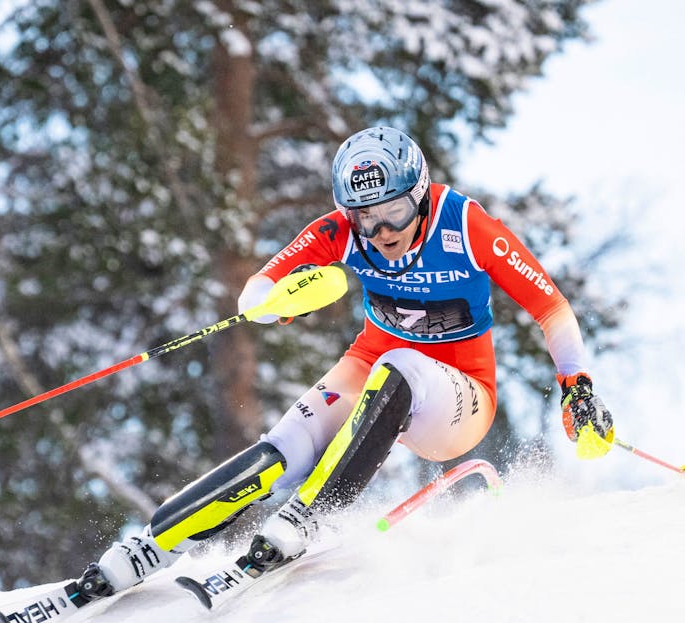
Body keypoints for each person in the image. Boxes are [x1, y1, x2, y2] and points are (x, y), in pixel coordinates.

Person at [75, 125, 614, 599]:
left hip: (459, 398)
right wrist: (274, 303)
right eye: (365, 219)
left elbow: (551, 306)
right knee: (284, 449)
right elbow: (258, 288)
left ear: (420, 197)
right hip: (372, 364)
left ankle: (305, 516)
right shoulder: (340, 231)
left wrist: (578, 387)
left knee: (401, 365)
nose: (381, 233)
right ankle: (149, 547)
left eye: (395, 213)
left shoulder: (466, 225)